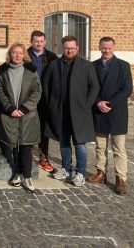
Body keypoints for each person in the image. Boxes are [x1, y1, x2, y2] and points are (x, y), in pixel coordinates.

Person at [43, 36, 99, 187]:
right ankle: (66, 169)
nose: (69, 50)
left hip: (80, 112)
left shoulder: (86, 65)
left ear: (77, 48)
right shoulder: (54, 65)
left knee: (80, 144)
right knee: (64, 143)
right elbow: (46, 84)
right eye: (67, 48)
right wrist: (51, 104)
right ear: (63, 48)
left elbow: (94, 86)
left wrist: (86, 105)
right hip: (60, 112)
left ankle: (80, 173)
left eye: (72, 48)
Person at [87, 37, 133, 195]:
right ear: (99, 47)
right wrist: (98, 102)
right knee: (100, 146)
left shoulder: (123, 66)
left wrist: (109, 104)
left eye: (109, 48)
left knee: (119, 148)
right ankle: (101, 173)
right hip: (99, 111)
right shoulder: (92, 66)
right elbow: (90, 87)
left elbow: (127, 90)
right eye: (104, 48)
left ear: (114, 47)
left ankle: (121, 178)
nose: (106, 51)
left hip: (117, 112)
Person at [0, 42, 42, 193]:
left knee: (26, 145)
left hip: (27, 115)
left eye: (20, 53)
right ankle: (17, 173)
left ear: (24, 55)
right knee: (14, 144)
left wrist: (24, 108)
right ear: (10, 55)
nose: (17, 55)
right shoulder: (3, 71)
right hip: (10, 114)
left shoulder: (31, 71)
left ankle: (27, 176)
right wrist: (9, 108)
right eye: (14, 53)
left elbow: (37, 92)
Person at [27, 30, 58, 173]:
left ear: (45, 42)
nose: (38, 44)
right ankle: (25, 157)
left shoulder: (52, 57)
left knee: (43, 130)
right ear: (31, 41)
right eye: (35, 41)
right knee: (26, 127)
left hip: (45, 99)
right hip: (27, 97)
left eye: (41, 41)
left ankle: (43, 157)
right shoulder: (25, 54)